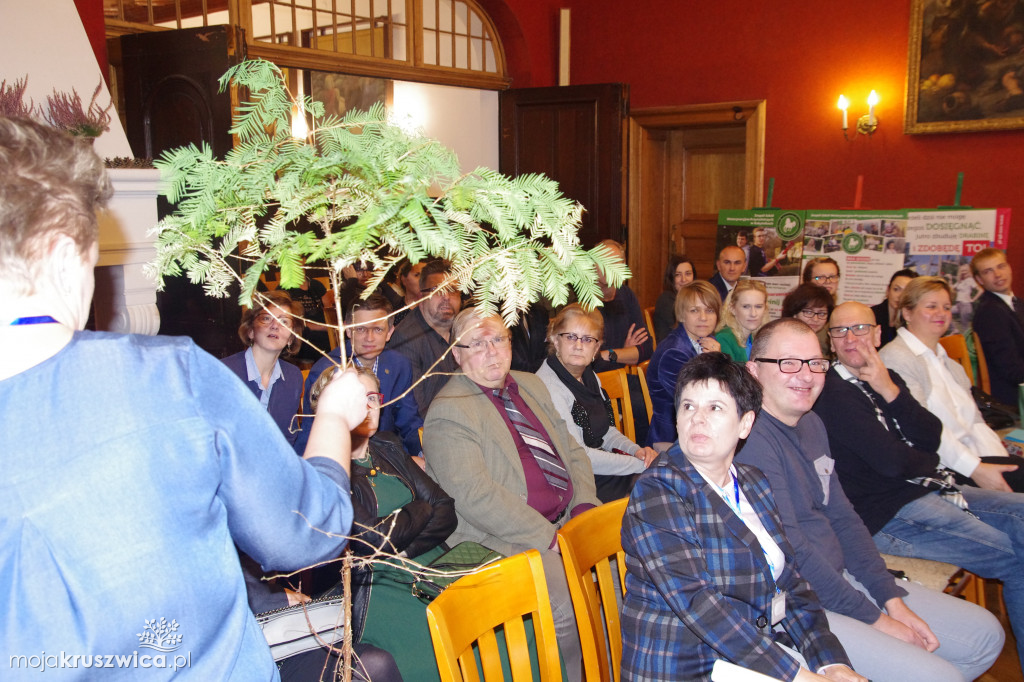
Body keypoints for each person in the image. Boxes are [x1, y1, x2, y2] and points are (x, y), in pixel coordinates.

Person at [0, 117, 365, 680]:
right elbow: (304, 529)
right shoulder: (171, 377)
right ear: (57, 251)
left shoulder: (277, 377)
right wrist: (337, 416)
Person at [737, 319, 995, 682]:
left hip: (839, 580)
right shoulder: (752, 441)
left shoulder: (811, 424)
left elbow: (843, 516)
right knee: (939, 675)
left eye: (815, 363)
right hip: (797, 603)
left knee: (984, 635)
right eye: (788, 363)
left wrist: (887, 596)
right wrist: (876, 619)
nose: (806, 375)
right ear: (753, 370)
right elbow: (794, 555)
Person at [621, 352, 862, 682]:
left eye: (715, 408)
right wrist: (797, 675)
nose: (697, 419)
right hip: (686, 667)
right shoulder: (658, 490)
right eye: (688, 406)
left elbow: (790, 584)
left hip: (749, 653)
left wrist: (829, 662)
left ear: (746, 423)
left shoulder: (753, 482)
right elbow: (698, 603)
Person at [815, 301, 1021, 670]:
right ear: (830, 341)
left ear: (878, 334)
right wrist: (927, 461)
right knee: (1015, 556)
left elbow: (931, 433)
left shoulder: (886, 376)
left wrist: (888, 388)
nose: (850, 339)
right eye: (839, 331)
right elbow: (893, 462)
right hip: (889, 512)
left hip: (925, 487)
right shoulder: (831, 392)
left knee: (1020, 512)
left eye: (860, 328)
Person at [423, 307, 601, 681]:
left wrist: (584, 505)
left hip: (565, 518)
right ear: (456, 353)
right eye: (478, 343)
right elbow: (477, 497)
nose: (491, 351)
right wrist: (551, 539)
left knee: (612, 568)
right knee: (563, 596)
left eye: (498, 340)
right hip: (500, 538)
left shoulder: (530, 384)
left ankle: (606, 665)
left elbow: (572, 450)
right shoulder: (448, 412)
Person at [308, 367, 456, 682]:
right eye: (356, 398)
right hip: (377, 581)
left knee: (509, 622)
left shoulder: (387, 445)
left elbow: (445, 509)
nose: (368, 407)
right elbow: (372, 541)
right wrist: (419, 508)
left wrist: (407, 547)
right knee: (435, 647)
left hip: (430, 559)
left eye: (373, 397)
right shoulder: (328, 470)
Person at [879, 276, 1024, 492]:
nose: (941, 313)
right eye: (931, 306)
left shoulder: (950, 364)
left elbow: (976, 423)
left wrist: (998, 463)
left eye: (946, 307)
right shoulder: (896, 358)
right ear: (907, 313)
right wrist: (977, 469)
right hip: (936, 467)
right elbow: (920, 431)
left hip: (971, 459)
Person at [535, 304, 658, 502]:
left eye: (587, 339)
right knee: (653, 485)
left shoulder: (590, 376)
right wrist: (638, 465)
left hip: (598, 470)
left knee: (657, 481)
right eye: (570, 337)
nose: (578, 345)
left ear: (596, 348)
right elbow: (580, 457)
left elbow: (606, 431)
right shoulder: (549, 386)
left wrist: (637, 452)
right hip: (572, 482)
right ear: (555, 340)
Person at [296, 294, 424, 460]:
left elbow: (409, 421)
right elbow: (314, 434)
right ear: (348, 330)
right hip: (344, 459)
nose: (369, 338)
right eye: (361, 329)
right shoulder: (329, 372)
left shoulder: (398, 364)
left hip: (387, 455)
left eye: (378, 329)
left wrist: (421, 454)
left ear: (389, 333)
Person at [646, 281, 722, 451]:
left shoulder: (708, 341)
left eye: (709, 310)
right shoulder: (673, 352)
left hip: (699, 427)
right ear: (681, 315)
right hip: (672, 441)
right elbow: (697, 399)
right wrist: (715, 361)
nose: (703, 317)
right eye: (694, 310)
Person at [222, 289, 304, 444]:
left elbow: (288, 438)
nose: (274, 326)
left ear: (291, 338)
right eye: (266, 318)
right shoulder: (225, 373)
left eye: (284, 321)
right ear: (251, 331)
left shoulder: (293, 376)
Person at [387, 258, 462, 415]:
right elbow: (414, 413)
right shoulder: (406, 340)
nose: (446, 297)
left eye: (452, 290)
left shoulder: (463, 330)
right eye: (437, 290)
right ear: (421, 296)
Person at [971, 248, 1024, 405]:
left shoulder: (1019, 304)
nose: (998, 274)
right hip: (1012, 399)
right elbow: (1011, 368)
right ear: (979, 280)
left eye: (1001, 266)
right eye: (988, 271)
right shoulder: (990, 313)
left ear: (1009, 268)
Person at [591, 240, 652, 373]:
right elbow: (591, 362)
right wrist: (625, 353)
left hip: (621, 380)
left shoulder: (626, 295)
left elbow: (646, 349)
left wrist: (608, 354)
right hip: (591, 385)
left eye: (615, 262)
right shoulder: (583, 301)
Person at [715, 279, 768, 362]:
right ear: (732, 308)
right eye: (746, 306)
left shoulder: (753, 338)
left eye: (758, 306)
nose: (753, 314)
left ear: (765, 309)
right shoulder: (724, 338)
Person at [782, 283, 834, 357]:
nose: (815, 319)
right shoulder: (782, 342)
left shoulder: (825, 344)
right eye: (808, 312)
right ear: (794, 313)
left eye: (822, 313)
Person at [652, 255, 696, 343]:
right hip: (672, 349)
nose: (684, 279)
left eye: (688, 274)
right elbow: (685, 331)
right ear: (671, 278)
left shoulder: (693, 298)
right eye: (678, 275)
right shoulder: (666, 300)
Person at [870, 269, 918, 347]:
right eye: (896, 289)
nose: (900, 296)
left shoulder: (914, 322)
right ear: (888, 291)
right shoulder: (871, 315)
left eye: (906, 291)